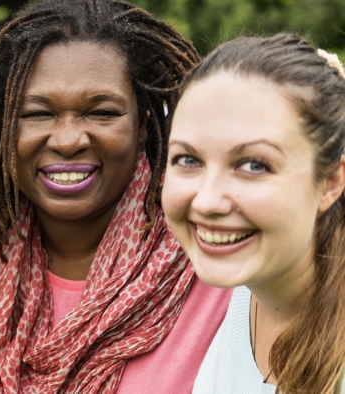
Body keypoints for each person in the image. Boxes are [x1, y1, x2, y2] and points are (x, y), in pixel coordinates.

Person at [0, 0, 232, 392]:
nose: (69, 141)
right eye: (37, 114)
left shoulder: (217, 265)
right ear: (2, 127)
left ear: (143, 125)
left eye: (102, 113)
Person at [162, 34, 345, 393]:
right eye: (188, 159)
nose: (207, 201)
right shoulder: (239, 296)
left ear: (329, 183)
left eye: (254, 165)